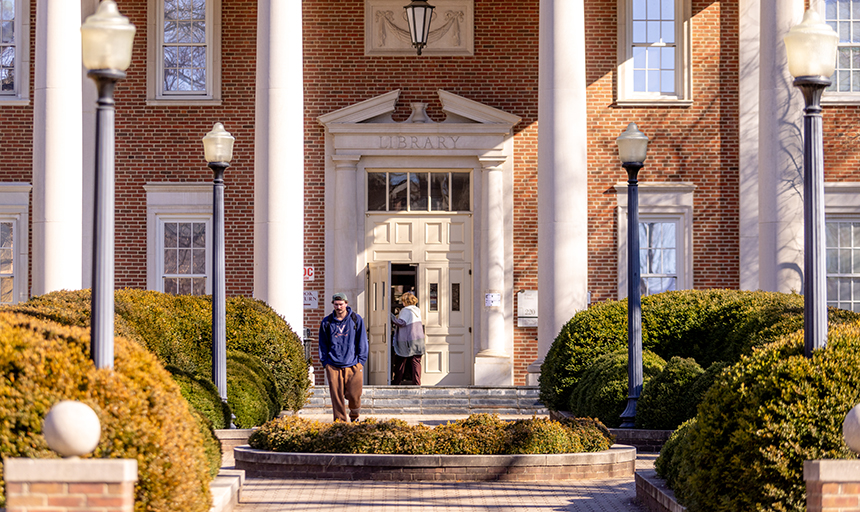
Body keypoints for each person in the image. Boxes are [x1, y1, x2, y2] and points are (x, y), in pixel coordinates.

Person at [318, 292, 368, 422]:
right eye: (336, 304)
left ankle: (355, 415)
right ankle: (340, 423)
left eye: (341, 304)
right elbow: (322, 343)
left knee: (354, 395)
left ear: (346, 304)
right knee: (337, 397)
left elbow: (362, 341)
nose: (338, 307)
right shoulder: (327, 322)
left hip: (353, 364)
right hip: (333, 364)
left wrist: (361, 361)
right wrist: (325, 362)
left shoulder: (356, 319)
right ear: (333, 305)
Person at [389, 291, 425, 385]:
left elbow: (402, 322)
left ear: (405, 301)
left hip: (407, 341)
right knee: (416, 362)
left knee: (401, 361)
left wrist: (391, 317)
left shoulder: (406, 310)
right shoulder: (417, 310)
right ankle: (417, 383)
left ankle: (396, 382)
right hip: (418, 340)